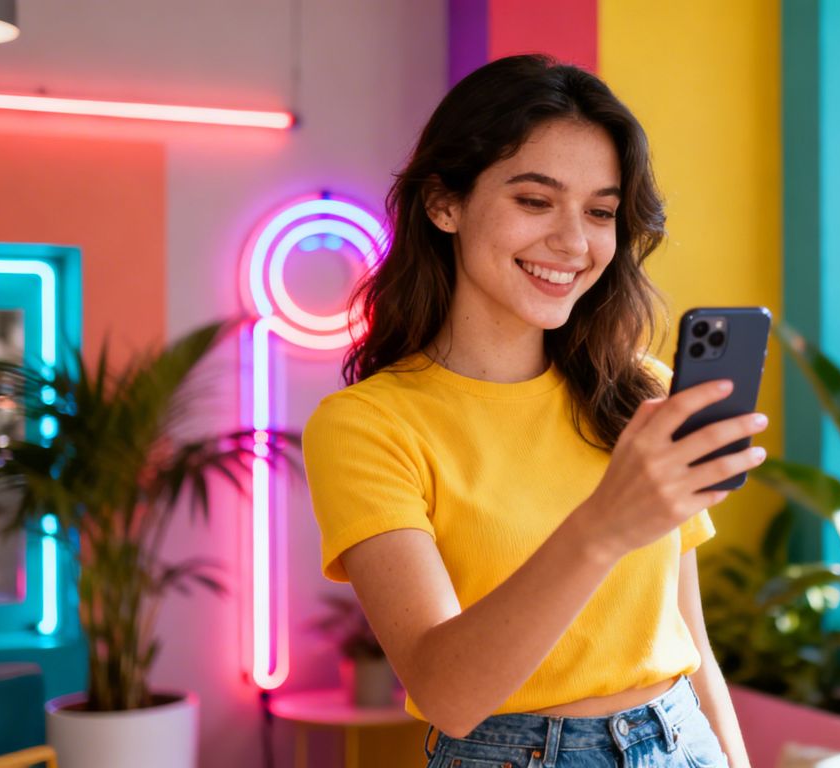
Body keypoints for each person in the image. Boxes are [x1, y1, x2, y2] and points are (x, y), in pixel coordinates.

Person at [301, 54, 767, 768]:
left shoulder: (639, 391)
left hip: (682, 740)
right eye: (534, 200)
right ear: (444, 203)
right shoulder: (368, 425)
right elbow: (448, 693)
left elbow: (689, 639)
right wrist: (605, 525)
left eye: (601, 212)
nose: (574, 243)